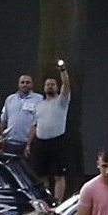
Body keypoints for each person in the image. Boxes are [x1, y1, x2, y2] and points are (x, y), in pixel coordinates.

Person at [29, 63, 73, 197]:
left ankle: (57, 202)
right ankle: (45, 200)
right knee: (41, 175)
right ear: (44, 87)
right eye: (47, 84)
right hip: (40, 143)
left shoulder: (62, 101)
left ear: (57, 87)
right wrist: (29, 143)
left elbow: (66, 85)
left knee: (59, 175)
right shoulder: (39, 105)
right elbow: (34, 125)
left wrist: (63, 70)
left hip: (57, 141)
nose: (50, 86)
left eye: (52, 84)